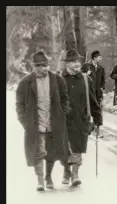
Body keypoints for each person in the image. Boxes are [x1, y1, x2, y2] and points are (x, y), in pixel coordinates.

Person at [16, 50, 70, 191]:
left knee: (51, 151)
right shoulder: (25, 83)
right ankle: (40, 180)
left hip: (53, 123)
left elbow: (65, 99)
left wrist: (61, 114)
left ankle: (48, 177)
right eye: (39, 66)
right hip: (36, 124)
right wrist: (25, 121)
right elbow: (19, 104)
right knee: (38, 152)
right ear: (33, 66)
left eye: (45, 65)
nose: (43, 68)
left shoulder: (57, 80)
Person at [60, 49, 103, 186]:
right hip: (64, 121)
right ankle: (66, 170)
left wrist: (98, 120)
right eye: (73, 62)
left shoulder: (86, 79)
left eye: (78, 61)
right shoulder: (59, 80)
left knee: (78, 147)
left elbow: (92, 100)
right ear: (66, 63)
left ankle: (75, 174)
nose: (77, 64)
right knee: (65, 148)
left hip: (81, 119)